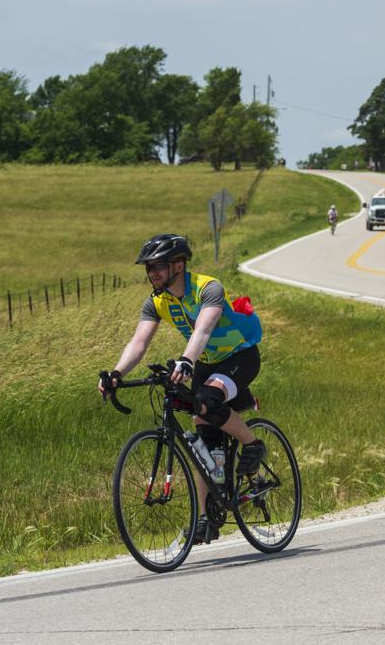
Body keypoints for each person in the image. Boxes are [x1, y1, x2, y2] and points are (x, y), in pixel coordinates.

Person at [98, 233, 266, 544]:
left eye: (158, 266)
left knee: (208, 399)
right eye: (149, 268)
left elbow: (203, 328)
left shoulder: (208, 288)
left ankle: (253, 444)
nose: (152, 273)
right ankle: (205, 518)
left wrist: (186, 360)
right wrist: (117, 373)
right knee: (201, 438)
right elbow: (139, 342)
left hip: (239, 354)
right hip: (205, 361)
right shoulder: (158, 301)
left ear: (178, 265)